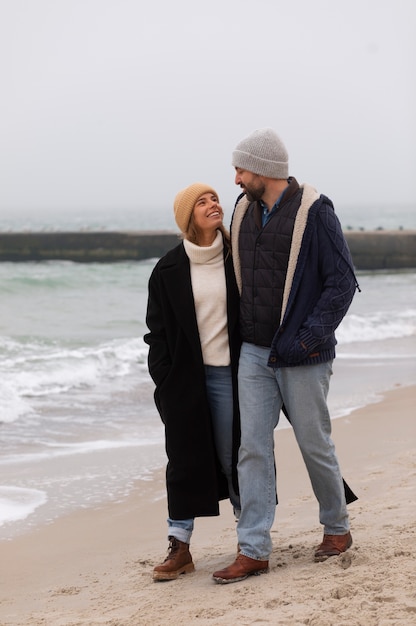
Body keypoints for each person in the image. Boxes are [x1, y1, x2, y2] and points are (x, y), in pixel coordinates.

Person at [212, 128, 360, 584]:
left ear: (263, 169)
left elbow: (341, 283)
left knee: (314, 443)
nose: (235, 179)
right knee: (252, 448)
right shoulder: (242, 211)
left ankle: (336, 528)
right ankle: (253, 548)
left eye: (240, 169)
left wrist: (309, 339)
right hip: (254, 354)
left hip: (304, 355)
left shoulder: (316, 212)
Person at [144, 182, 241, 581]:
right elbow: (156, 332)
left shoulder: (239, 259)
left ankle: (249, 540)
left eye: (214, 198)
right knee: (182, 461)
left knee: (237, 457)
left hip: (230, 377)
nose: (213, 204)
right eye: (202, 202)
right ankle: (179, 546)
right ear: (189, 217)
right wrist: (164, 380)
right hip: (184, 379)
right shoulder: (167, 269)